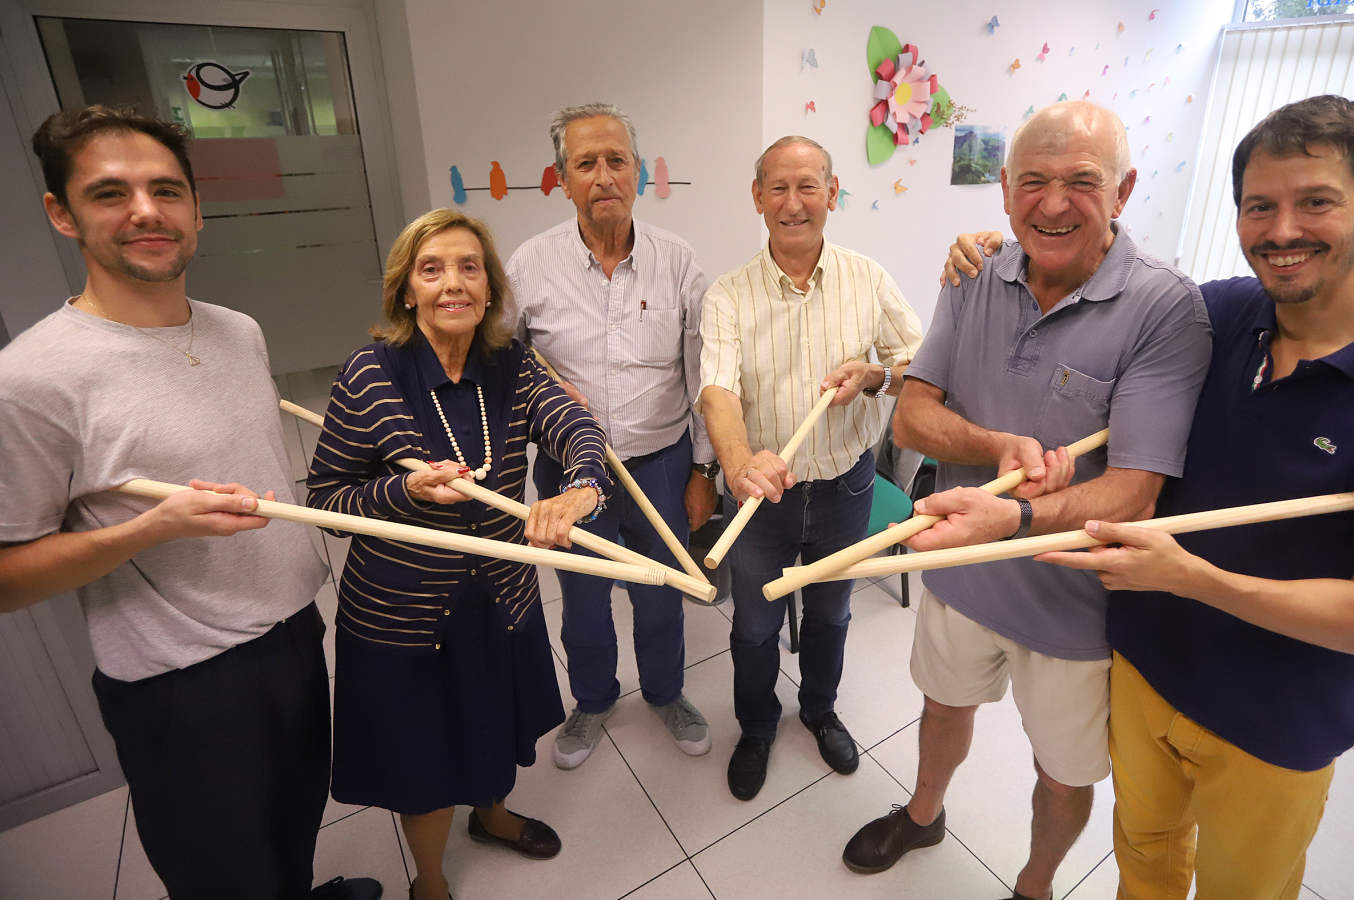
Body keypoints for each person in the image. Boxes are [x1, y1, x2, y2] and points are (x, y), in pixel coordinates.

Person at [943, 96, 1354, 899]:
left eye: (1316, 202)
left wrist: (1192, 578)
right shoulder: (1226, 315)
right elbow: (1112, 285)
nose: (1281, 230)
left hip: (1274, 718)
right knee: (1144, 863)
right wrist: (1002, 249)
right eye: (1259, 206)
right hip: (1144, 668)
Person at [0, 106, 378, 899]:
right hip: (182, 683)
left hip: (293, 633)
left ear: (197, 210)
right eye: (111, 193)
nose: (146, 211)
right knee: (224, 878)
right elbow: (7, 579)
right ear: (62, 214)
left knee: (295, 829)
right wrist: (148, 530)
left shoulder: (238, 331)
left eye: (166, 190)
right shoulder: (31, 379)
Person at [841, 102, 1212, 900]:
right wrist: (996, 446)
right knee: (943, 708)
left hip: (1073, 603)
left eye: (1082, 181)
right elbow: (912, 417)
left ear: (1123, 191)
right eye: (1034, 181)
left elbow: (1137, 488)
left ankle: (1036, 884)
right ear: (1005, 189)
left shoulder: (1165, 308)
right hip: (961, 572)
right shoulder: (974, 274)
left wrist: (1015, 516)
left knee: (1062, 770)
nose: (1053, 203)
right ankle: (923, 813)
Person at [305, 208, 610, 900]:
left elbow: (574, 423)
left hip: (500, 598)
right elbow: (325, 499)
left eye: (469, 267)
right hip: (403, 618)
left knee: (495, 722)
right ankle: (432, 882)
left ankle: (492, 816)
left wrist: (583, 487)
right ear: (406, 290)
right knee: (424, 761)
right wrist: (404, 491)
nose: (453, 283)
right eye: (432, 269)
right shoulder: (369, 374)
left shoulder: (512, 364)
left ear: (490, 286)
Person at [699, 135, 924, 801]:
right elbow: (717, 392)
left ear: (832, 193)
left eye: (807, 187)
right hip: (760, 498)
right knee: (754, 625)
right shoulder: (727, 295)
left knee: (831, 614)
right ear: (757, 197)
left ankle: (820, 712)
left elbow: (921, 366)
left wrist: (877, 377)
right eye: (778, 188)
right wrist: (740, 463)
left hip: (845, 487)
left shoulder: (868, 278)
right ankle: (757, 726)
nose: (793, 203)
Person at [506, 102, 716, 770]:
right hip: (571, 472)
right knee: (584, 600)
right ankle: (593, 700)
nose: (603, 176)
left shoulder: (678, 262)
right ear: (562, 179)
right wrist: (536, 399)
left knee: (661, 592)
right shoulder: (529, 265)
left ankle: (665, 692)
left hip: (661, 462)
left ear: (639, 172)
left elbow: (701, 375)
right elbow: (503, 366)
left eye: (616, 161)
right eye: (585, 163)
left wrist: (703, 470)